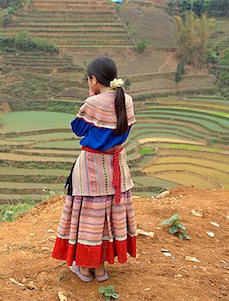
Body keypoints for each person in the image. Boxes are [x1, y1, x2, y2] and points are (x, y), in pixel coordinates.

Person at [51, 56, 137, 282]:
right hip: (116, 165)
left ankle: (86, 267)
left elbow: (78, 129)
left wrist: (91, 98)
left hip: (91, 169)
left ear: (94, 79)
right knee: (108, 217)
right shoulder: (126, 100)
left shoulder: (93, 104)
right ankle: (100, 269)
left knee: (90, 218)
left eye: (89, 79)